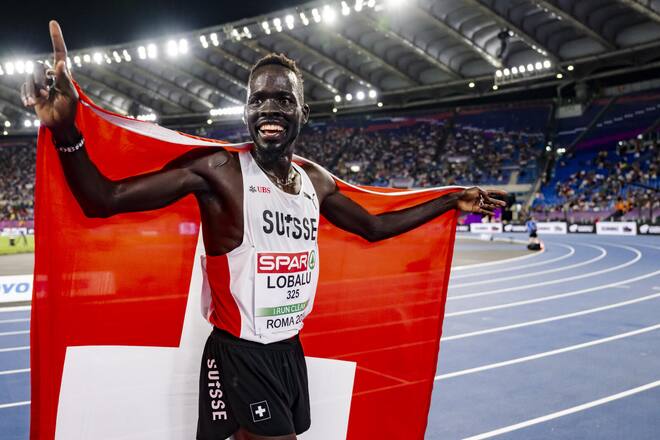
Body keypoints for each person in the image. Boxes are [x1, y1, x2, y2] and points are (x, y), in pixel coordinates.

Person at [21, 21, 507, 440]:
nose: (269, 108)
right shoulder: (219, 171)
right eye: (259, 99)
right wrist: (67, 131)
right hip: (240, 354)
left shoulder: (315, 181)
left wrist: (449, 200)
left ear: (302, 111)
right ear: (247, 109)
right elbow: (104, 200)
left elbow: (376, 227)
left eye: (283, 99)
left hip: (289, 350)